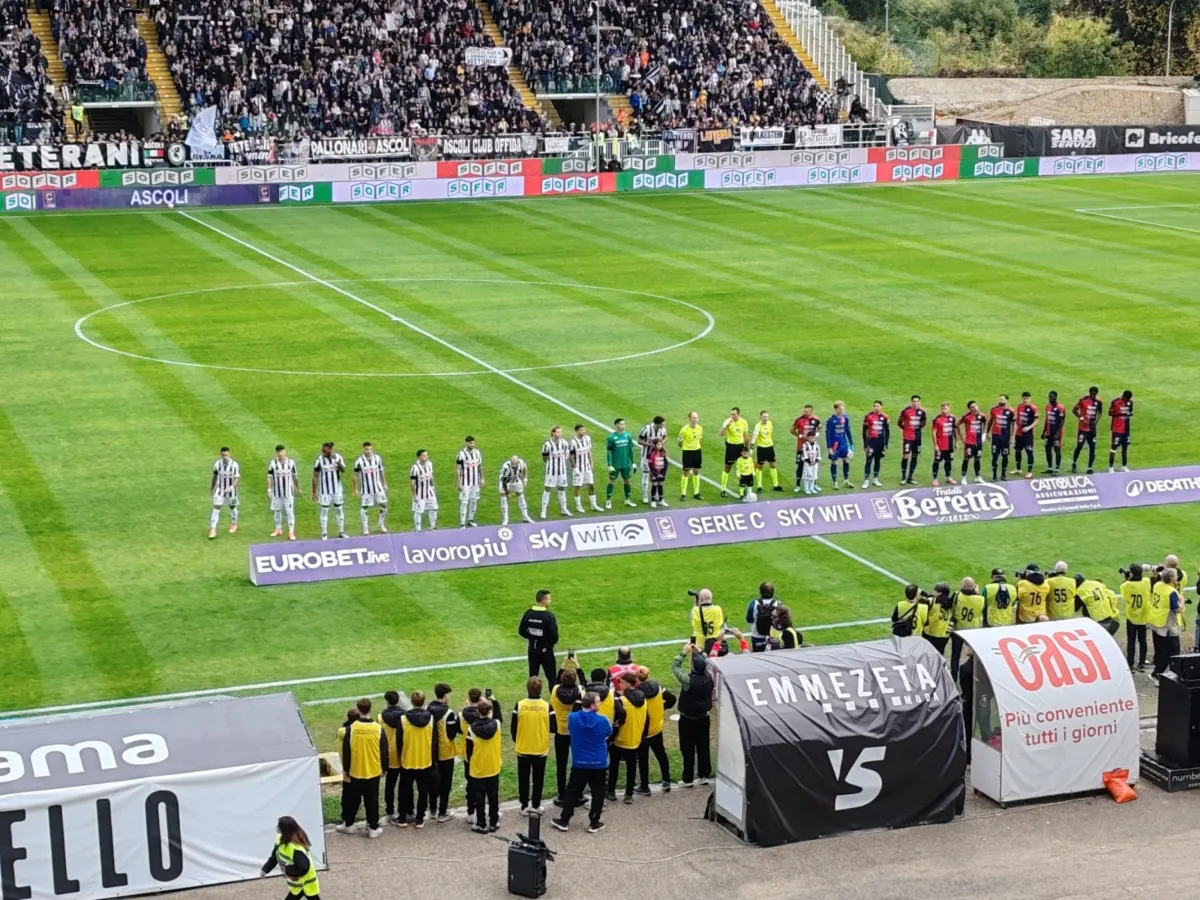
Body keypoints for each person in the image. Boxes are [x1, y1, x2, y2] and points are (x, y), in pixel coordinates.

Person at [550, 692, 613, 833]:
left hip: (579, 762)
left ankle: (564, 820)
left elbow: (571, 729)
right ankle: (594, 822)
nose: (600, 703)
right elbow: (609, 732)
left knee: (572, 791)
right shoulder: (603, 720)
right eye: (598, 701)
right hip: (599, 762)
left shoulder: (572, 718)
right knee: (598, 793)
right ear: (592, 705)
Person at [336, 698, 385, 838]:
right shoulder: (378, 728)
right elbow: (384, 750)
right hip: (373, 771)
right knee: (372, 801)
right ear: (370, 709)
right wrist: (384, 767)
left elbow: (347, 751)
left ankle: (348, 825)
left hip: (355, 771)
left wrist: (346, 769)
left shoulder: (351, 729)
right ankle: (373, 827)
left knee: (351, 799)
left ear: (358, 709)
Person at [672, 643, 714, 787]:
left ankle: (688, 778)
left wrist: (683, 652)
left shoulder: (688, 680)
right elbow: (709, 664)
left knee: (687, 748)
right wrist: (700, 652)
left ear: (693, 667)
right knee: (703, 747)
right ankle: (704, 775)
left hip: (688, 719)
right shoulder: (710, 677)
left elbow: (675, 667)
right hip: (704, 717)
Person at [512, 677, 553, 816]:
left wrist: (518, 740)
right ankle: (536, 805)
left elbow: (513, 727)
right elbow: (554, 727)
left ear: (527, 688)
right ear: (541, 689)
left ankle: (524, 806)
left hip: (523, 748)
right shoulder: (547, 706)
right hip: (540, 749)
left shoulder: (519, 705)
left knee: (523, 779)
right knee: (538, 779)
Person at [459, 688, 501, 823]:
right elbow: (498, 715)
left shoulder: (464, 718)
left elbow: (467, 745)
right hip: (492, 762)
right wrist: (492, 701)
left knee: (475, 791)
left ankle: (474, 815)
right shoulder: (495, 723)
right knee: (492, 793)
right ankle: (494, 820)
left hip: (474, 763)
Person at [608, 672, 647, 804]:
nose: (619, 684)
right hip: (635, 739)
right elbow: (646, 719)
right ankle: (629, 794)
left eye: (622, 682)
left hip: (620, 740)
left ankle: (611, 791)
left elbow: (618, 722)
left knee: (614, 766)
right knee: (631, 768)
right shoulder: (643, 700)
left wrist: (611, 738)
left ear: (628, 684)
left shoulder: (621, 701)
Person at [397, 691, 435, 828]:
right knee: (423, 791)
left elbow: (399, 741)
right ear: (424, 702)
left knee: (404, 790)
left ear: (412, 702)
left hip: (408, 760)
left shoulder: (403, 719)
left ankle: (402, 818)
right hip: (425, 761)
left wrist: (401, 756)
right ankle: (420, 819)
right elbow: (434, 741)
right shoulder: (431, 719)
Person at [261, 816, 320, 898]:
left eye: (279, 826)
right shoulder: (280, 842)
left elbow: (304, 867)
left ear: (284, 830)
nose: (277, 827)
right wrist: (265, 869)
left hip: (306, 884)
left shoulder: (295, 849)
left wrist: (288, 870)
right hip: (298, 885)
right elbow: (274, 857)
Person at [634, 666, 672, 793]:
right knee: (661, 755)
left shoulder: (637, 694)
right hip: (656, 729)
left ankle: (644, 786)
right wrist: (662, 707)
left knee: (643, 759)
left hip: (643, 732)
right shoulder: (658, 687)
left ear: (636, 678)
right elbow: (672, 699)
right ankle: (666, 780)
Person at [428, 683, 459, 823]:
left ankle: (432, 809)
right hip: (445, 752)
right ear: (445, 696)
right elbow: (451, 734)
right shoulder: (449, 712)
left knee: (433, 781)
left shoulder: (428, 709)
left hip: (432, 752)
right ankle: (442, 812)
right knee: (445, 783)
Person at [550, 670, 582, 806]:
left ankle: (562, 795)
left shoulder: (555, 690)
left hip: (561, 731)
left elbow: (556, 682)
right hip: (576, 732)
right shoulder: (580, 691)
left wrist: (562, 668)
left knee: (561, 765)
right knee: (578, 764)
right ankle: (578, 794)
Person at [1149, 567, 1184, 684]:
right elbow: (1177, 609)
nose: (1177, 577)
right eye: (1175, 576)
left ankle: (1157, 673)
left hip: (1156, 622)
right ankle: (1162, 675)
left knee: (1160, 650)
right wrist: (1182, 601)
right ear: (1171, 579)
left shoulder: (1158, 585)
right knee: (1173, 652)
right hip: (1167, 625)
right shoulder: (1171, 592)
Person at [519, 590, 558, 685]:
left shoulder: (528, 614)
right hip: (546, 651)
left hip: (532, 650)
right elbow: (554, 636)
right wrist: (549, 643)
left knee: (533, 678)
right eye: (549, 599)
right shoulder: (549, 616)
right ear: (543, 600)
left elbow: (521, 631)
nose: (550, 601)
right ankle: (554, 694)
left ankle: (532, 694)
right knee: (552, 678)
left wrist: (532, 637)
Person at [378, 691, 405, 824]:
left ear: (386, 701)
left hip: (388, 756)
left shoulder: (380, 717)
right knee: (405, 785)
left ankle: (390, 812)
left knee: (390, 785)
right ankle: (406, 810)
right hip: (403, 754)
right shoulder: (405, 716)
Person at [312, 441, 348, 540]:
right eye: (322, 451)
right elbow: (315, 476)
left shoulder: (338, 457)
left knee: (339, 509)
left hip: (337, 489)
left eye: (325, 451)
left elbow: (343, 470)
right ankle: (324, 534)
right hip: (325, 491)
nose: (323, 453)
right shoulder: (319, 460)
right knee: (324, 511)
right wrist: (314, 492)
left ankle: (341, 532)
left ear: (330, 450)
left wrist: (337, 461)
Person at [950, 577, 984, 681]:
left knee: (955, 655)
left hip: (958, 629)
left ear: (963, 586)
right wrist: (977, 594)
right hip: (972, 631)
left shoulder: (957, 596)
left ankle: (954, 676)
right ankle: (974, 675)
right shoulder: (980, 599)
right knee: (974, 655)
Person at [353, 441, 388, 535]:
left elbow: (381, 471)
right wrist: (355, 489)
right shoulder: (359, 461)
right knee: (365, 507)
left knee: (384, 505)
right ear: (363, 449)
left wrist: (384, 483)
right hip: (366, 489)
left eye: (370, 449)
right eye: (367, 449)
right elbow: (355, 475)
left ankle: (381, 524)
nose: (369, 451)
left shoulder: (377, 458)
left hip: (378, 487)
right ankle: (365, 527)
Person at [1121, 564, 1151, 671]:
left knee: (1131, 641)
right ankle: (1142, 662)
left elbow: (1125, 596)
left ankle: (1130, 663)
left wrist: (1126, 578)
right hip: (1144, 616)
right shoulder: (1146, 582)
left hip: (1132, 617)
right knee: (1143, 640)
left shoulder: (1126, 585)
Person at [267, 444, 300, 540]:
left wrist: (298, 488)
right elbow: (269, 477)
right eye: (278, 452)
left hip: (288, 493)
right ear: (276, 453)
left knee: (289, 512)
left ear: (285, 451)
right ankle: (278, 529)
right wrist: (269, 489)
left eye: (282, 451)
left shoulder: (291, 463)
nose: (280, 453)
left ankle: (291, 532)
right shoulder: (273, 463)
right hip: (276, 492)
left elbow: (295, 476)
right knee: (277, 511)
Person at [541, 426, 574, 519]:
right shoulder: (547, 445)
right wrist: (551, 464)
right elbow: (544, 458)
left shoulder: (564, 443)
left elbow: (566, 455)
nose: (560, 434)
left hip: (562, 471)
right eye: (558, 432)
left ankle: (564, 509)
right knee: (547, 489)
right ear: (553, 433)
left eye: (560, 432)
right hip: (551, 471)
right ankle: (543, 511)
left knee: (562, 488)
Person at [569, 425, 604, 513]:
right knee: (577, 487)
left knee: (591, 485)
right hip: (578, 468)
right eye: (581, 430)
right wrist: (575, 468)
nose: (584, 431)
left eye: (584, 430)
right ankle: (578, 506)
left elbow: (589, 451)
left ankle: (593, 505)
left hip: (587, 467)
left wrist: (591, 462)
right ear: (577, 431)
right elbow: (571, 456)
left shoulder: (587, 439)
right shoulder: (573, 442)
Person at [208, 446, 241, 539]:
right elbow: (214, 477)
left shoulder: (234, 465)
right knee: (216, 508)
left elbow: (237, 478)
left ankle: (234, 524)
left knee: (232, 507)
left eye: (226, 455)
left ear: (229, 454)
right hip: (220, 490)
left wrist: (232, 487)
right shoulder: (217, 464)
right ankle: (213, 529)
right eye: (223, 455)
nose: (225, 457)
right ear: (220, 455)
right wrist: (212, 489)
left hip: (231, 491)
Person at [605, 418, 638, 509]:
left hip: (626, 464)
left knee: (627, 480)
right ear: (616, 425)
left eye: (624, 424)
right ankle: (608, 501)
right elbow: (609, 452)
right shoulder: (611, 437)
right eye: (621, 424)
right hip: (615, 464)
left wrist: (633, 462)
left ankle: (627, 500)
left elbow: (630, 450)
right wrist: (609, 465)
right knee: (611, 481)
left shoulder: (628, 436)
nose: (623, 425)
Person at [1071, 386, 1103, 474]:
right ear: (1089, 392)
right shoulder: (1083, 400)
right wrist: (1081, 418)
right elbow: (1074, 410)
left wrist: (1096, 421)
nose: (1093, 395)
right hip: (1083, 428)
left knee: (1092, 447)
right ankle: (1074, 463)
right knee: (1079, 446)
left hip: (1092, 429)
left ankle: (1090, 467)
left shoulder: (1098, 402)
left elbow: (1100, 412)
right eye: (1092, 393)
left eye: (1094, 394)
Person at [719, 407, 750, 497]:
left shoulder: (743, 422)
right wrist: (727, 426)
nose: (732, 416)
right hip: (731, 447)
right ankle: (723, 489)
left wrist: (748, 449)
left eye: (734, 414)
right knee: (727, 467)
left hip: (740, 447)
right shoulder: (727, 421)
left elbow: (745, 436)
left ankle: (743, 488)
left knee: (743, 468)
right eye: (731, 414)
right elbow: (721, 433)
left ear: (738, 414)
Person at [455, 435, 484, 528]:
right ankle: (462, 523)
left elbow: (480, 466)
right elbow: (458, 469)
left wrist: (482, 478)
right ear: (466, 443)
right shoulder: (461, 454)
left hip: (475, 482)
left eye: (473, 443)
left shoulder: (477, 453)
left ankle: (470, 519)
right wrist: (459, 483)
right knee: (464, 502)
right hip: (465, 482)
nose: (472, 444)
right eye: (470, 443)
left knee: (474, 500)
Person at [637, 416, 668, 504]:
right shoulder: (646, 429)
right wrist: (650, 444)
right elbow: (639, 441)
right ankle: (645, 495)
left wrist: (661, 443)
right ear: (658, 424)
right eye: (662, 424)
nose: (664, 425)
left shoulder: (663, 429)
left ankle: (657, 495)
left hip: (658, 456)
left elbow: (665, 438)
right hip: (646, 456)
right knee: (646, 474)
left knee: (658, 475)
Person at [897, 395, 927, 486]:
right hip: (908, 438)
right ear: (911, 402)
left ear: (919, 402)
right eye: (914, 401)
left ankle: (910, 477)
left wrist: (918, 428)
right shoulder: (906, 411)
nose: (915, 403)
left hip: (917, 438)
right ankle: (903, 477)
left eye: (917, 401)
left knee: (915, 456)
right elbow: (899, 423)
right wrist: (906, 429)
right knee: (906, 456)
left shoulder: (922, 412)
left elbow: (923, 422)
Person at [824, 401, 853, 489]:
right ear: (836, 409)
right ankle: (835, 482)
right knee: (834, 462)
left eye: (843, 409)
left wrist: (851, 443)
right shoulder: (831, 420)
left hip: (843, 443)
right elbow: (828, 434)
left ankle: (846, 481)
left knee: (846, 460)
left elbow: (847, 430)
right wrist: (829, 447)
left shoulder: (845, 418)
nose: (842, 410)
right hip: (835, 444)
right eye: (840, 409)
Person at [860, 400, 889, 488]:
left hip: (880, 442)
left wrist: (886, 444)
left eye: (878, 406)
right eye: (875, 406)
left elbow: (887, 431)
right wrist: (865, 444)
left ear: (881, 407)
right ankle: (866, 480)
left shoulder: (885, 417)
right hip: (871, 442)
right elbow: (864, 431)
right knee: (868, 460)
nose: (876, 408)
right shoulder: (868, 416)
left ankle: (875, 479)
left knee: (877, 460)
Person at [986, 395, 1016, 482]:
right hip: (995, 436)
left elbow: (1014, 425)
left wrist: (1012, 436)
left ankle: (1003, 474)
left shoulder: (1011, 411)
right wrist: (987, 432)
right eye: (999, 399)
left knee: (1005, 456)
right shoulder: (994, 409)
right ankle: (994, 475)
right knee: (995, 456)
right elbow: (990, 421)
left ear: (1006, 400)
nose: (1000, 401)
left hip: (1005, 437)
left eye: (1002, 399)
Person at [498, 455, 534, 526]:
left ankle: (525, 516)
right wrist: (507, 493)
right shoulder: (506, 468)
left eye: (515, 465)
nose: (514, 467)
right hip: (506, 482)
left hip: (515, 479)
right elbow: (503, 481)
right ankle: (505, 519)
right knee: (503, 498)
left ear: (518, 463)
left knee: (521, 496)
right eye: (513, 465)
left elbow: (525, 468)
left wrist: (525, 478)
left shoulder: (521, 463)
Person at [751, 409, 781, 492]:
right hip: (762, 448)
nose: (765, 418)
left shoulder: (770, 423)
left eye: (767, 417)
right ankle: (759, 486)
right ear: (760, 417)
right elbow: (754, 437)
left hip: (770, 447)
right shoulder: (758, 426)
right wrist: (751, 447)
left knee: (773, 465)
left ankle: (776, 485)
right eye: (764, 417)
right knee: (759, 466)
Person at [677, 411, 704, 501]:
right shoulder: (684, 430)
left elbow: (700, 440)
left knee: (696, 471)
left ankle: (696, 493)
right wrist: (686, 448)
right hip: (687, 452)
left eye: (697, 418)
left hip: (697, 451)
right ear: (689, 418)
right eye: (694, 418)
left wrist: (697, 447)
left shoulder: (700, 428)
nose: (696, 420)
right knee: (686, 472)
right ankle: (683, 493)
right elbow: (679, 442)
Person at [746, 582, 779, 653]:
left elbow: (749, 620)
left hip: (757, 636)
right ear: (773, 592)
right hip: (773, 637)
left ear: (760, 592)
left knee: (757, 656)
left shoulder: (754, 604)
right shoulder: (778, 604)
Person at [410, 449, 438, 531]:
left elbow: (431, 476)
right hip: (419, 493)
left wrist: (433, 486)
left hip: (429, 492)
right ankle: (418, 529)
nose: (427, 457)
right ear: (419, 457)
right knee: (418, 511)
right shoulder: (415, 468)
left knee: (434, 508)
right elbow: (412, 483)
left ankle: (432, 526)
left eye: (427, 455)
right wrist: (414, 496)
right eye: (424, 456)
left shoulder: (429, 464)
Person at [957, 401, 986, 484]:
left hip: (978, 442)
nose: (975, 408)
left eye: (976, 406)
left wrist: (984, 433)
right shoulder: (966, 417)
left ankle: (977, 477)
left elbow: (985, 422)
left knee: (977, 459)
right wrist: (961, 437)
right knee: (966, 459)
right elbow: (957, 425)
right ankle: (963, 478)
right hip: (969, 442)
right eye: (973, 407)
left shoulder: (981, 415)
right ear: (969, 409)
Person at [1013, 392, 1039, 478]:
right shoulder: (1019, 406)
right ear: (1022, 398)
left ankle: (1029, 471)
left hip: (1028, 434)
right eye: (1024, 398)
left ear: (1030, 399)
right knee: (1017, 450)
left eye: (1027, 398)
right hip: (1019, 433)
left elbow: (1036, 421)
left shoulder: (1033, 408)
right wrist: (1016, 428)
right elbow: (1018, 419)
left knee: (1029, 451)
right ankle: (1018, 468)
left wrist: (1028, 427)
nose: (1026, 400)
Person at [691, 589, 725, 654]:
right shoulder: (718, 609)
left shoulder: (695, 611)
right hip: (715, 646)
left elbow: (695, 611)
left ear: (700, 599)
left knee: (692, 640)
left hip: (699, 647)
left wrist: (696, 602)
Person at [930, 403, 956, 487]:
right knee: (936, 461)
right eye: (942, 409)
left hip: (949, 445)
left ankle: (948, 477)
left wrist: (956, 442)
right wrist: (935, 445)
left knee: (948, 461)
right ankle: (935, 479)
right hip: (940, 446)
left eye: (945, 408)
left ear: (949, 408)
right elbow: (934, 432)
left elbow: (954, 430)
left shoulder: (952, 418)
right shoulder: (937, 419)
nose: (944, 410)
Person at [923, 583, 953, 656]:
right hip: (944, 634)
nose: (932, 591)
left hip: (930, 633)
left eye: (934, 590)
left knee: (927, 654)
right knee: (939, 655)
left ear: (939, 593)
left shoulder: (931, 601)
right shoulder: (952, 603)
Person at [1108, 390, 1134, 472]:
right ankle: (1111, 467)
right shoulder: (1115, 402)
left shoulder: (1130, 402)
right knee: (1114, 447)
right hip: (1117, 429)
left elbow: (1130, 411)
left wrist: (1128, 414)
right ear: (1124, 396)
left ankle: (1124, 466)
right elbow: (1110, 413)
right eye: (1127, 398)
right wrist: (1121, 414)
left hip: (1126, 429)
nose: (1128, 400)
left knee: (1125, 447)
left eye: (1129, 399)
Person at [1042, 391, 1066, 474]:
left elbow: (1062, 421)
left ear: (1056, 397)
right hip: (1049, 433)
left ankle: (1057, 469)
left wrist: (1057, 433)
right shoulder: (1048, 407)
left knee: (1057, 450)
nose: (1050, 398)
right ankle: (1049, 468)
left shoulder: (1060, 407)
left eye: (1051, 397)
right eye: (1049, 397)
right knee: (1047, 450)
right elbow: (1047, 420)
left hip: (1057, 434)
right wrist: (1044, 431)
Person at [647, 438, 669, 507]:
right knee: (654, 484)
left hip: (661, 473)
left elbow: (666, 464)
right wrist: (656, 474)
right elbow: (650, 465)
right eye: (658, 444)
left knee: (660, 485)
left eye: (661, 444)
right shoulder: (651, 453)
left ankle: (661, 500)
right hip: (654, 473)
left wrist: (662, 474)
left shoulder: (663, 453)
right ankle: (653, 501)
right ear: (654, 445)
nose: (659, 446)